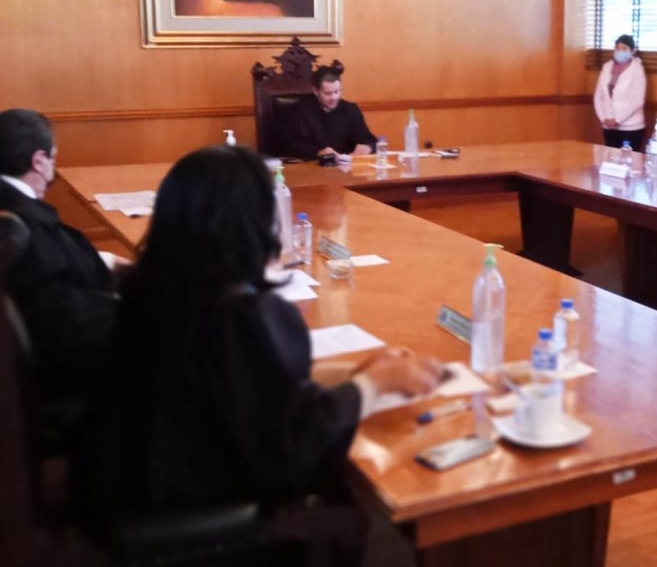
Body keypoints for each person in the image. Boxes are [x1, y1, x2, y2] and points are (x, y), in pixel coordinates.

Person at [72, 145, 444, 563]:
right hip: (194, 497)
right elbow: (290, 445)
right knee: (347, 508)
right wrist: (372, 385)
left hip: (128, 475)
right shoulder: (236, 315)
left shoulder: (153, 288)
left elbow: (249, 386)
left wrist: (360, 371)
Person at [0, 108, 118, 441]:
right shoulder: (19, 223)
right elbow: (59, 312)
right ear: (39, 161)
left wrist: (104, 260)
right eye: (54, 158)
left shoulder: (12, 209)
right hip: (64, 372)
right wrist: (139, 304)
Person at [281, 66, 378, 161]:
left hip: (343, 167)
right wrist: (318, 152)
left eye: (337, 92)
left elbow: (368, 138)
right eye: (328, 93)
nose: (334, 97)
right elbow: (289, 144)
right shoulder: (300, 109)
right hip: (312, 165)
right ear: (315, 91)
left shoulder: (350, 109)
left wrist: (368, 146)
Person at [594, 34, 647, 149]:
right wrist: (603, 118)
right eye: (617, 48)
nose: (620, 51)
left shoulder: (637, 69)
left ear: (632, 51)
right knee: (610, 157)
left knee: (629, 158)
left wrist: (618, 120)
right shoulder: (606, 67)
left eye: (624, 48)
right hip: (608, 125)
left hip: (631, 127)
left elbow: (638, 100)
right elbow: (598, 96)